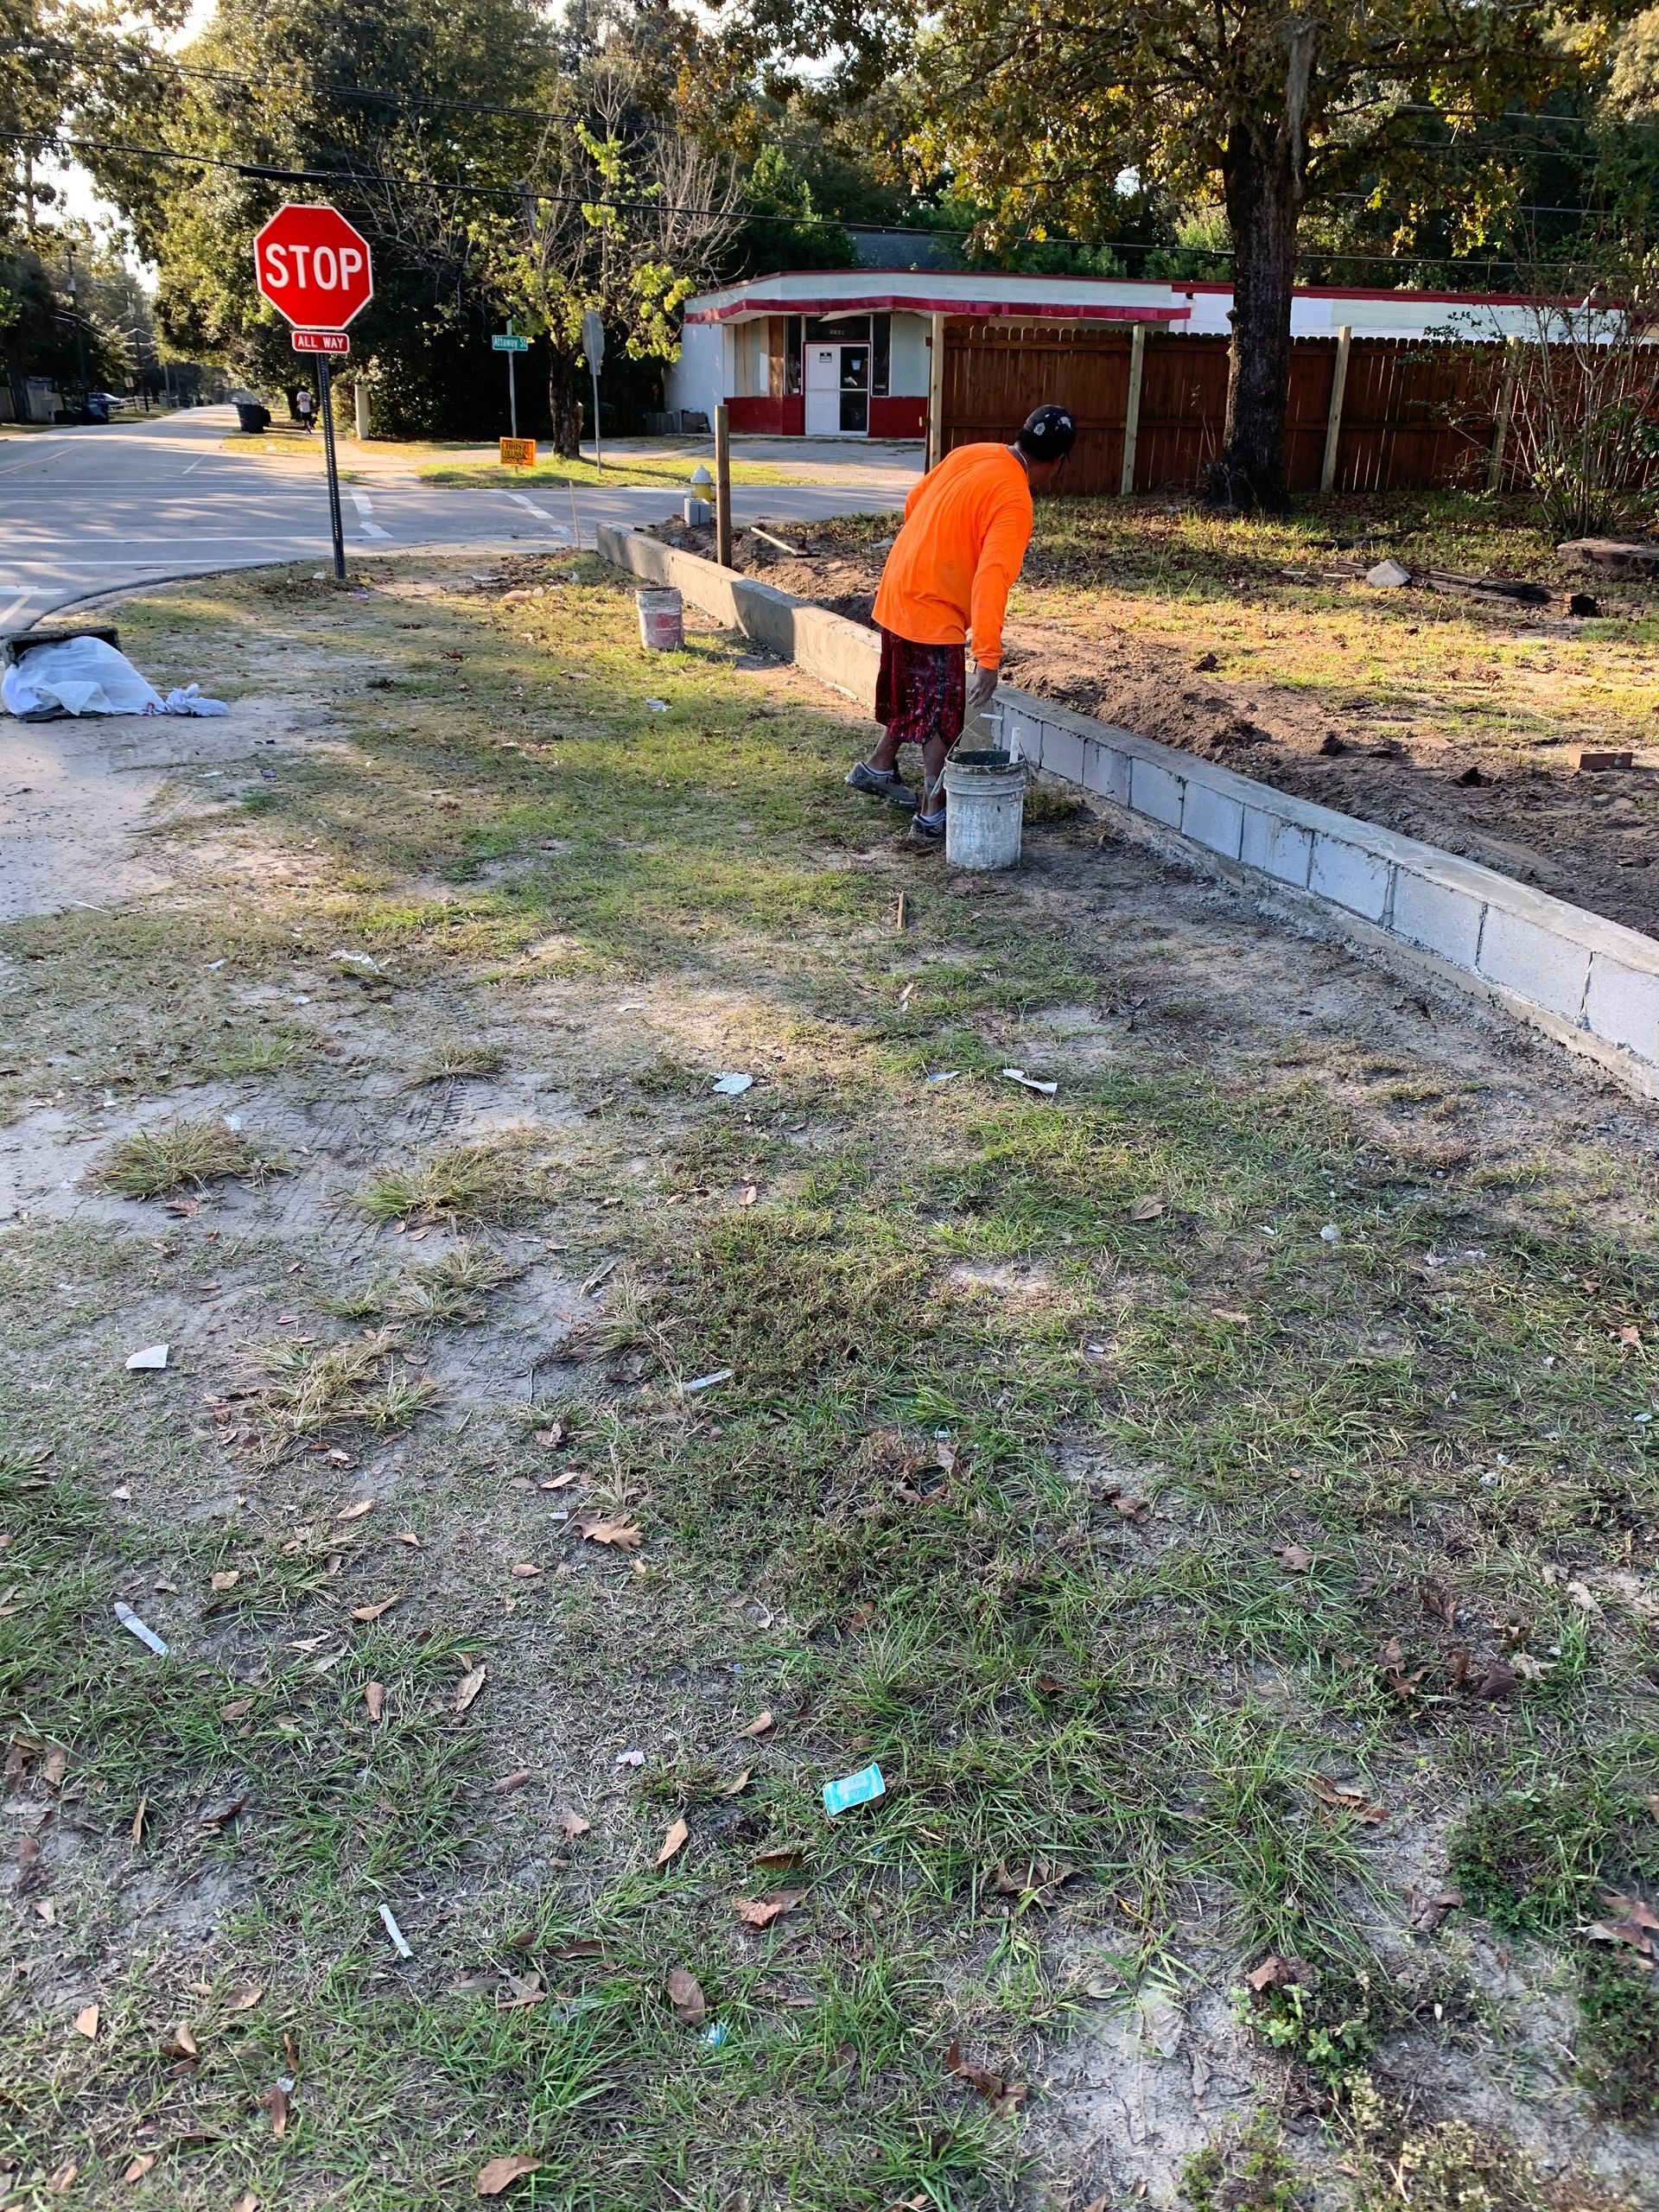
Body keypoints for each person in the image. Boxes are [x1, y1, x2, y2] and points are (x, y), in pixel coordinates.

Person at [847, 403, 1077, 842]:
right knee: (940, 712)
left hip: (898, 586)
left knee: (912, 692)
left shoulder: (973, 453)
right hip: (933, 610)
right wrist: (988, 657)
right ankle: (934, 812)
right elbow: (992, 580)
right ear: (1058, 462)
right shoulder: (1014, 499)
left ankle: (878, 767)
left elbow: (914, 501)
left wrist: (930, 553)